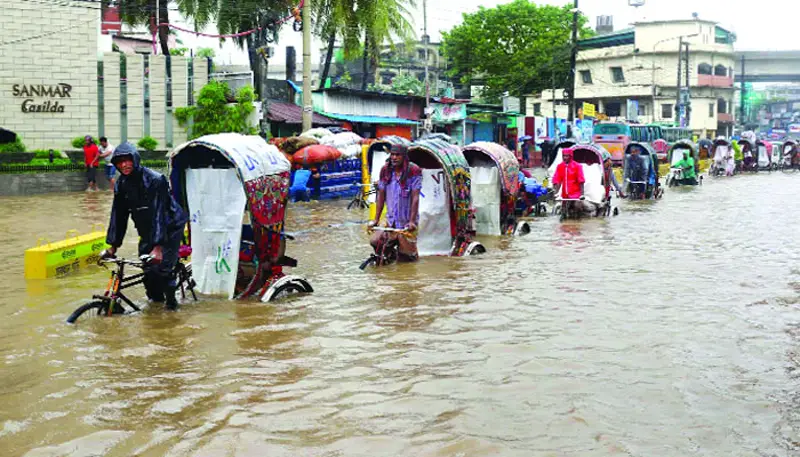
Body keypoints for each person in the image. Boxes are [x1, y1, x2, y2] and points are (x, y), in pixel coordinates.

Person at [101, 142, 188, 311]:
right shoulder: (121, 184)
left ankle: (172, 307)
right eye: (120, 162)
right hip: (147, 229)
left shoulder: (155, 180)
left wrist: (158, 247)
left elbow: (160, 214)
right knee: (147, 270)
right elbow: (118, 216)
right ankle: (155, 306)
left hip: (170, 226)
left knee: (163, 269)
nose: (124, 165)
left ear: (135, 160)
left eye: (128, 160)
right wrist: (113, 246)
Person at [368, 143, 422, 261]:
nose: (394, 158)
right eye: (392, 154)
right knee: (375, 241)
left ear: (404, 157)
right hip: (390, 221)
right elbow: (381, 196)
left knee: (407, 259)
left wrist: (412, 221)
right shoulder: (385, 170)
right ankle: (389, 255)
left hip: (406, 223)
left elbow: (415, 197)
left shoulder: (413, 171)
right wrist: (376, 220)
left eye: (398, 155)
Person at [551, 147, 585, 216]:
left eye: (566, 156)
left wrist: (582, 194)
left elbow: (581, 181)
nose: (565, 158)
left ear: (571, 156)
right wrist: (556, 193)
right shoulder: (560, 166)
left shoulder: (577, 166)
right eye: (563, 156)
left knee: (577, 207)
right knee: (563, 211)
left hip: (575, 194)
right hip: (564, 195)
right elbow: (557, 180)